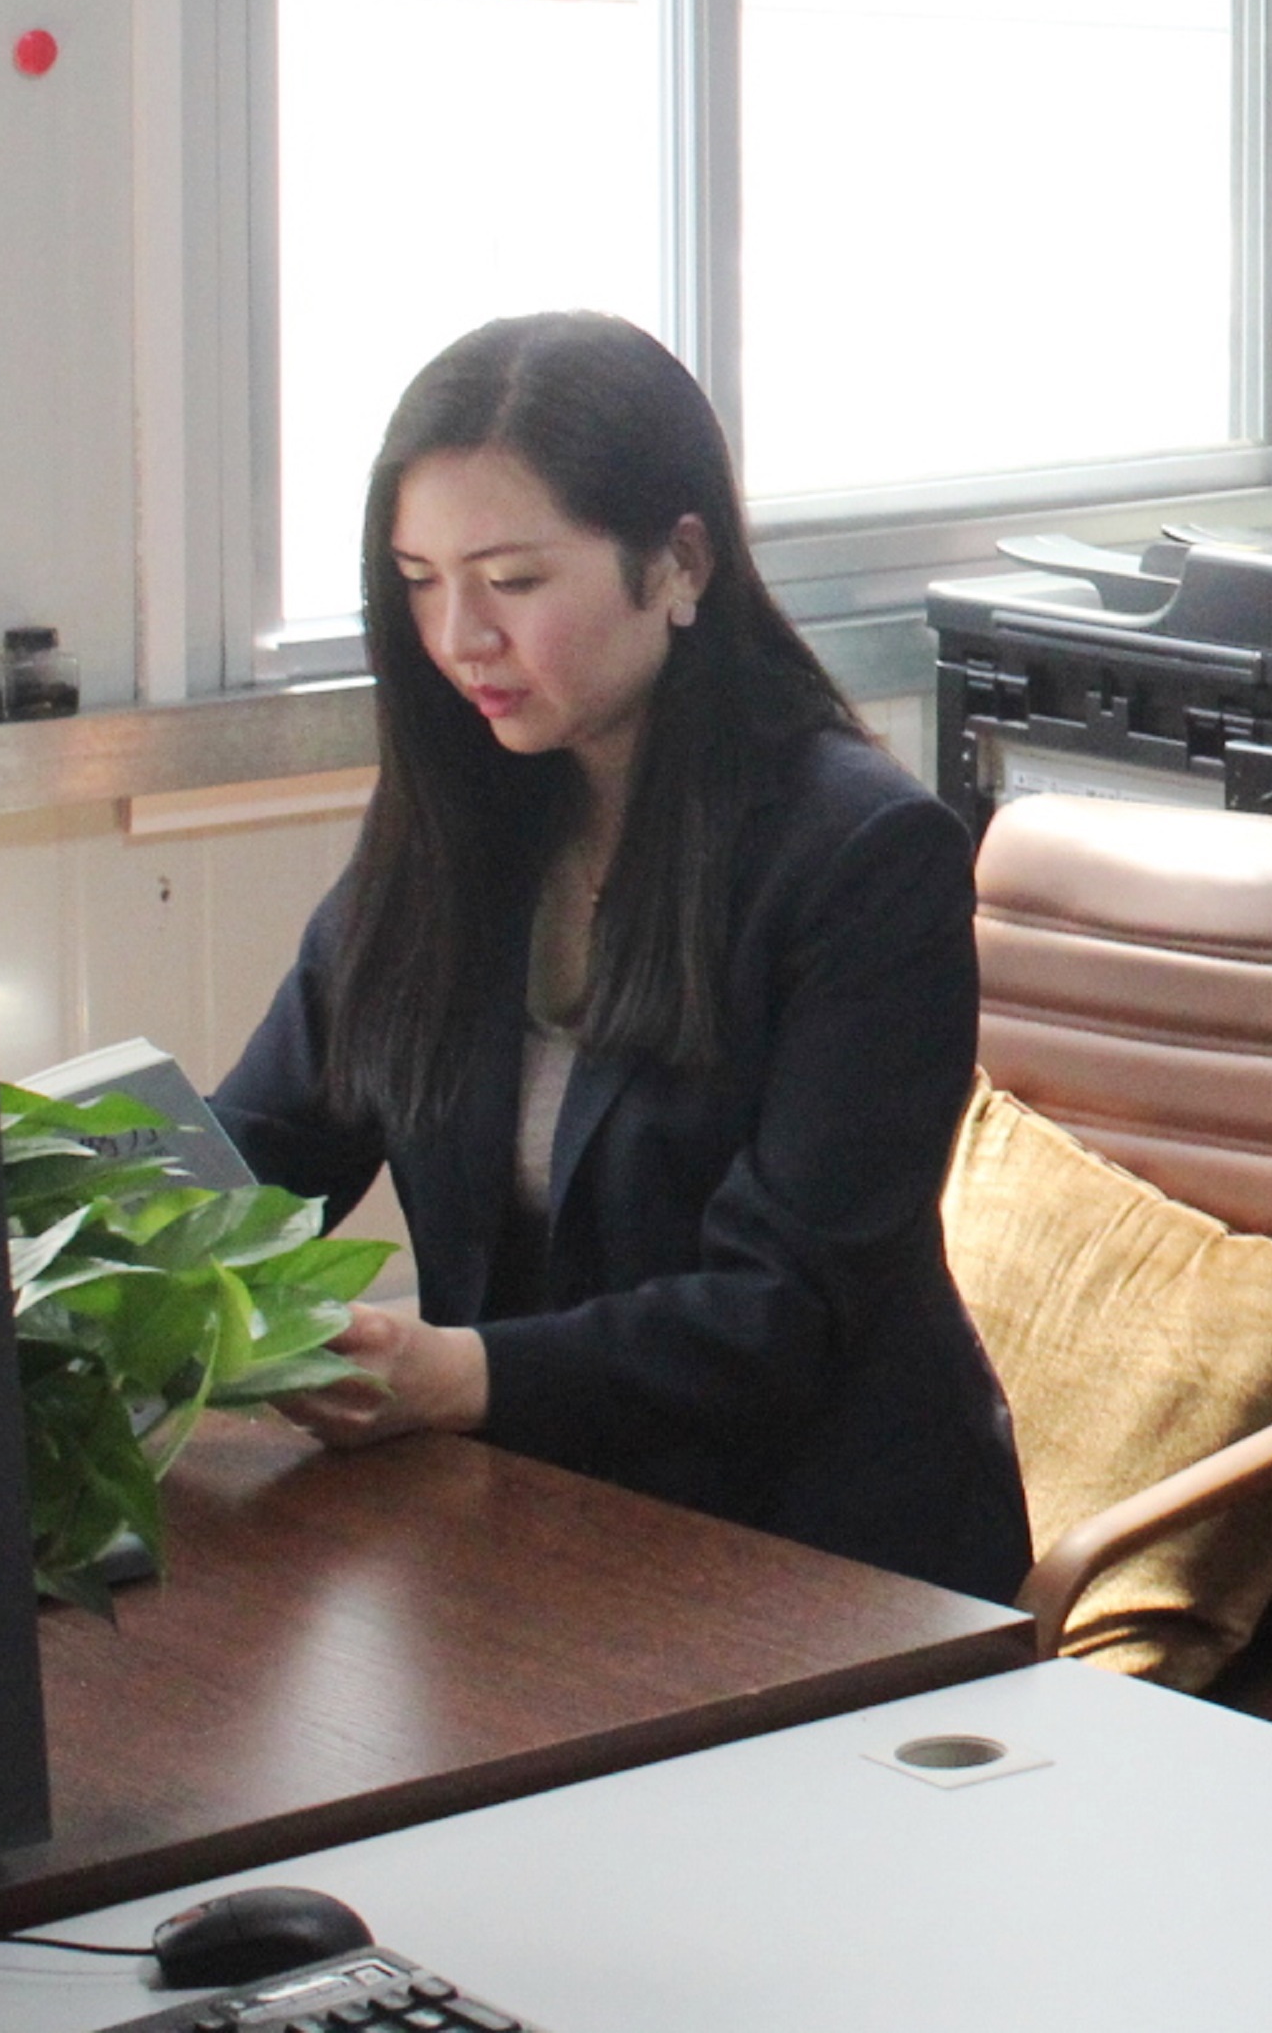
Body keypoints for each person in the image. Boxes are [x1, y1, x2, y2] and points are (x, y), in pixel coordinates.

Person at [216, 311, 1028, 1603]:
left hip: (820, 1556)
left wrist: (462, 1373)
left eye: (512, 581)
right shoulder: (456, 823)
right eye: (419, 579)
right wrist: (67, 1242)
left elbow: (785, 1308)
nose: (459, 637)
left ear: (679, 563)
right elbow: (265, 1152)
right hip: (538, 1520)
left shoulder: (862, 857)